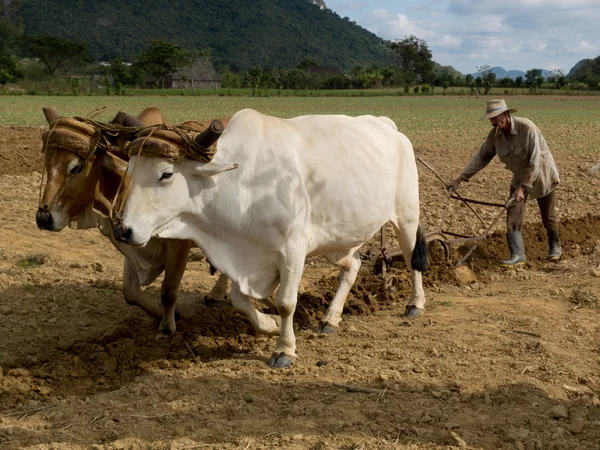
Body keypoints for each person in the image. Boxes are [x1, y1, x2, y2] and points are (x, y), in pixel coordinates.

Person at [449, 99, 561, 267]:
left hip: (541, 173)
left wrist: (523, 187)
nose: (493, 122)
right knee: (513, 210)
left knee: (548, 214)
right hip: (520, 174)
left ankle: (555, 247)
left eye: (495, 117)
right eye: (491, 119)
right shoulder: (495, 135)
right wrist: (460, 178)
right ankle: (517, 255)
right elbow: (482, 157)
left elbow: (535, 162)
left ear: (505, 114)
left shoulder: (527, 128)